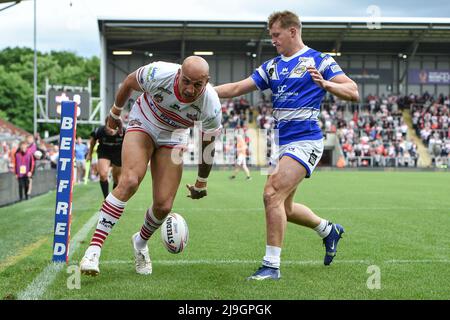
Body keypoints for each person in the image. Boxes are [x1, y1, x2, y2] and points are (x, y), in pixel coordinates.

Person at [214, 10, 359, 280]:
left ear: (293, 31)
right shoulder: (272, 66)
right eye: (271, 36)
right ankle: (328, 230)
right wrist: (203, 91)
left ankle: (271, 266)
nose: (273, 40)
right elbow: (235, 88)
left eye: (276, 35)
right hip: (282, 143)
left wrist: (325, 83)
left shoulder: (320, 60)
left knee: (271, 194)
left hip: (306, 139)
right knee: (285, 207)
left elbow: (353, 91)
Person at [80, 56, 222, 276]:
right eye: (186, 81)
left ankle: (140, 243)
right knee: (129, 180)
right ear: (178, 74)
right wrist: (114, 112)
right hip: (144, 122)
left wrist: (201, 182)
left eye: (197, 85)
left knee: (164, 205)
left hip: (174, 137)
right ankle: (94, 249)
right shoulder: (158, 72)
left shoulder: (211, 105)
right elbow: (128, 82)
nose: (189, 89)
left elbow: (207, 145)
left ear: (206, 82)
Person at [87, 120, 124, 198]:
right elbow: (92, 141)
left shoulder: (124, 132)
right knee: (103, 175)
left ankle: (113, 199)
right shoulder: (99, 131)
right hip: (104, 152)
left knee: (117, 179)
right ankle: (106, 199)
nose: (111, 130)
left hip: (118, 153)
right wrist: (89, 154)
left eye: (114, 128)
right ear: (105, 125)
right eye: (109, 127)